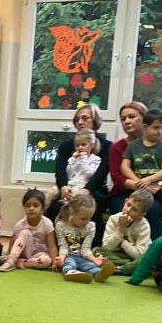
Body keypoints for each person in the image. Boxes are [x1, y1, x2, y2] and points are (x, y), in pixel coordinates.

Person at [109, 100, 162, 239]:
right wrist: (141, 185)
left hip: (158, 189)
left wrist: (157, 185)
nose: (127, 121)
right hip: (126, 192)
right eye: (123, 119)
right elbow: (118, 177)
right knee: (132, 206)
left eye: (132, 116)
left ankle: (158, 249)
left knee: (157, 207)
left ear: (144, 119)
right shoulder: (118, 147)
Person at [45, 103, 111, 243]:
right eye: (77, 119)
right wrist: (63, 187)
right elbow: (60, 170)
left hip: (94, 187)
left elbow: (101, 173)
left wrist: (86, 190)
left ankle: (91, 245)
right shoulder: (67, 145)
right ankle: (53, 243)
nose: (80, 122)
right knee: (55, 205)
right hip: (69, 185)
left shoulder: (106, 146)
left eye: (85, 118)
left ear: (95, 121)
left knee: (93, 205)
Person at [120, 108, 162, 228]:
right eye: (156, 127)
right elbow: (124, 167)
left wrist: (149, 180)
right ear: (145, 127)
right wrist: (138, 181)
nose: (160, 131)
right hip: (140, 188)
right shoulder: (133, 146)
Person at [54, 194, 115, 283]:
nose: (86, 222)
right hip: (68, 255)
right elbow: (63, 246)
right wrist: (61, 258)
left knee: (90, 265)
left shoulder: (91, 226)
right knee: (69, 263)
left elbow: (85, 248)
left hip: (82, 256)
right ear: (72, 213)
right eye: (83, 219)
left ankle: (98, 274)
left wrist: (94, 259)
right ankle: (71, 273)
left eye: (89, 218)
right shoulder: (61, 225)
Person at [95, 189, 153, 276]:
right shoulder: (114, 219)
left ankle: (121, 269)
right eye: (128, 204)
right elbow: (107, 247)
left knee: (149, 258)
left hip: (136, 257)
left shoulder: (143, 226)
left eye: (134, 209)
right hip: (118, 255)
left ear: (141, 215)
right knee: (97, 250)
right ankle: (128, 266)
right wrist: (120, 229)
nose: (128, 210)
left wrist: (122, 242)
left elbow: (139, 255)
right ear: (125, 201)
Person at [0, 188, 57, 272]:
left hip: (39, 254)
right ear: (23, 207)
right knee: (25, 232)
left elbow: (52, 246)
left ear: (42, 208)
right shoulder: (20, 224)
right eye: (27, 205)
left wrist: (54, 262)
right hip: (25, 252)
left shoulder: (47, 223)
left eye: (36, 205)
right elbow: (12, 242)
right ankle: (12, 260)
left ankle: (22, 263)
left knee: (47, 261)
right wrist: (9, 256)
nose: (31, 208)